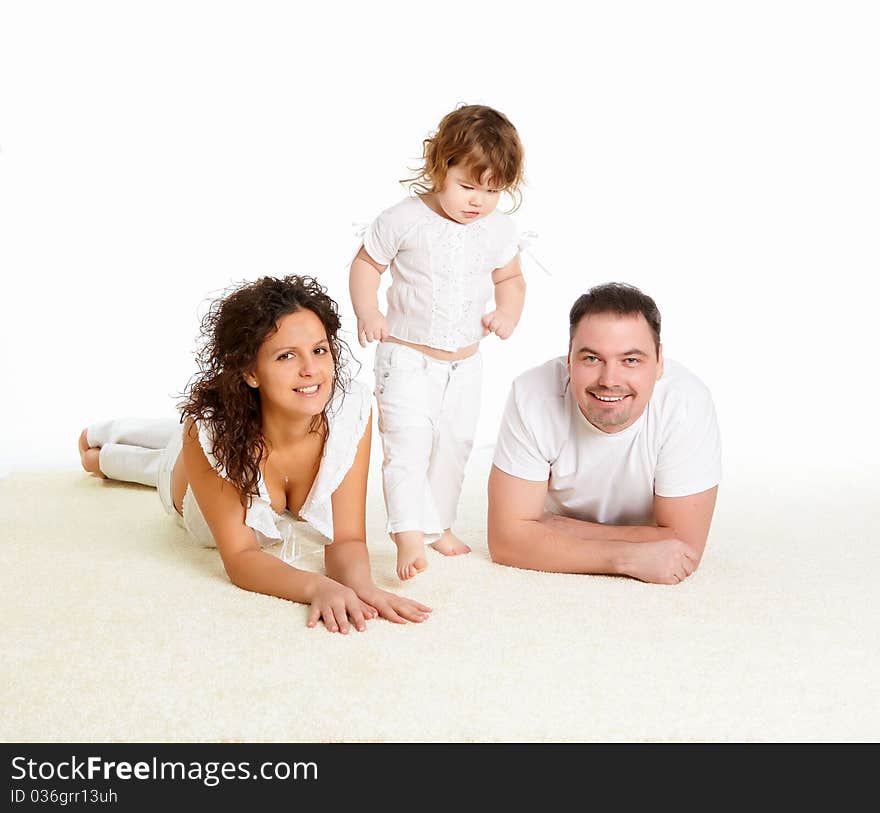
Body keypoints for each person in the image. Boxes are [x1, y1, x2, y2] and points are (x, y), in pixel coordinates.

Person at [78, 275, 432, 632]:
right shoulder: (211, 432)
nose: (310, 369)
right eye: (286, 355)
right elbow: (242, 557)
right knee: (159, 458)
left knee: (181, 434)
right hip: (187, 484)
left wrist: (363, 588)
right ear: (250, 372)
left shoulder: (349, 410)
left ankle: (113, 447)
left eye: (319, 350)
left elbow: (347, 539)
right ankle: (103, 447)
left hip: (245, 427)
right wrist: (316, 587)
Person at [349, 103, 527, 580]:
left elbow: (510, 277)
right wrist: (370, 311)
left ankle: (439, 523)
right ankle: (409, 533)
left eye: (492, 191)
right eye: (467, 186)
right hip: (407, 356)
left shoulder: (497, 228)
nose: (478, 201)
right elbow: (367, 264)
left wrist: (507, 311)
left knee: (454, 443)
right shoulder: (404, 218)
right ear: (438, 167)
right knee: (408, 442)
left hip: (465, 363)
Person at [487, 283, 721, 585]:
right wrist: (623, 558)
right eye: (592, 358)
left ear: (660, 362)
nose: (610, 380)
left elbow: (683, 547)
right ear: (570, 358)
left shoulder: (686, 402)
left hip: (557, 539)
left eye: (631, 360)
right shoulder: (532, 394)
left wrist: (553, 527)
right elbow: (505, 542)